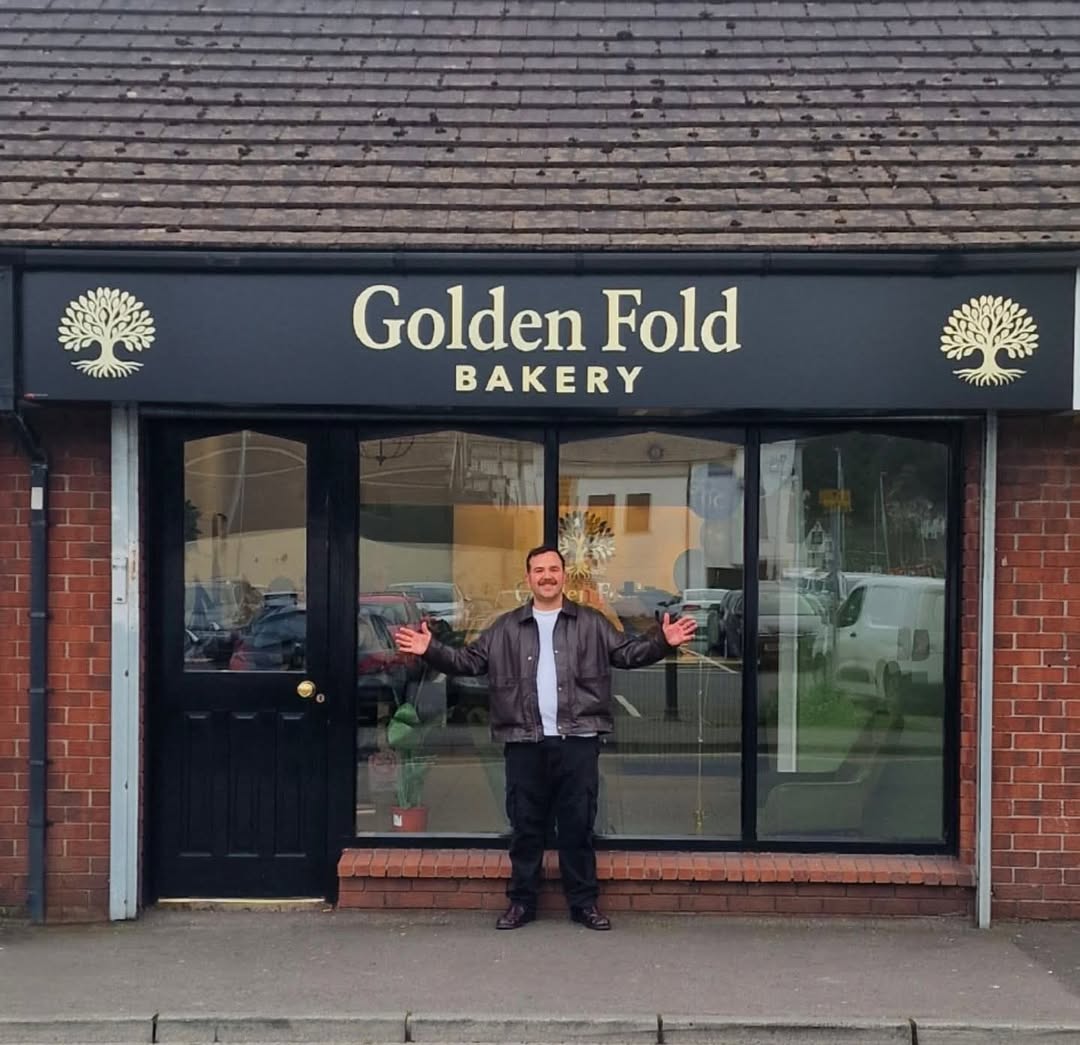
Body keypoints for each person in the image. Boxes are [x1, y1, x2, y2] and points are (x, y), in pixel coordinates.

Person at [393, 544, 697, 931]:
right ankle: (522, 904)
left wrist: (661, 641)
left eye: (554, 569)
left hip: (579, 740)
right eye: (539, 570)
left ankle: (584, 904)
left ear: (564, 576)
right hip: (524, 742)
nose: (547, 576)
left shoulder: (591, 623)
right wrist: (429, 649)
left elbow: (627, 653)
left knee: (577, 827)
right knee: (525, 828)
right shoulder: (506, 627)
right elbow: (469, 662)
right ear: (528, 578)